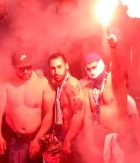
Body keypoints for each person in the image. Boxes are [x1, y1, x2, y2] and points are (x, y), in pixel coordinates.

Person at [0, 51, 55, 163]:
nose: (26, 71)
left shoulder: (43, 83)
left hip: (36, 136)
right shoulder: (4, 83)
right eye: (21, 69)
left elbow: (49, 115)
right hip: (14, 138)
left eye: (28, 67)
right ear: (14, 67)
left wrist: (37, 140)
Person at [80, 34, 132, 162]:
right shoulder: (87, 88)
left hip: (122, 139)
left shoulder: (113, 79)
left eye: (94, 67)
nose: (92, 71)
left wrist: (113, 48)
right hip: (101, 140)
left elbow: (117, 67)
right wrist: (90, 145)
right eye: (89, 68)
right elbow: (87, 118)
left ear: (101, 64)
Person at [46, 52, 85, 163]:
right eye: (53, 68)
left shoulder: (72, 85)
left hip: (75, 139)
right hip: (64, 137)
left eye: (59, 67)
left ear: (66, 66)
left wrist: (68, 140)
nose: (56, 71)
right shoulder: (58, 83)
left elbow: (79, 114)